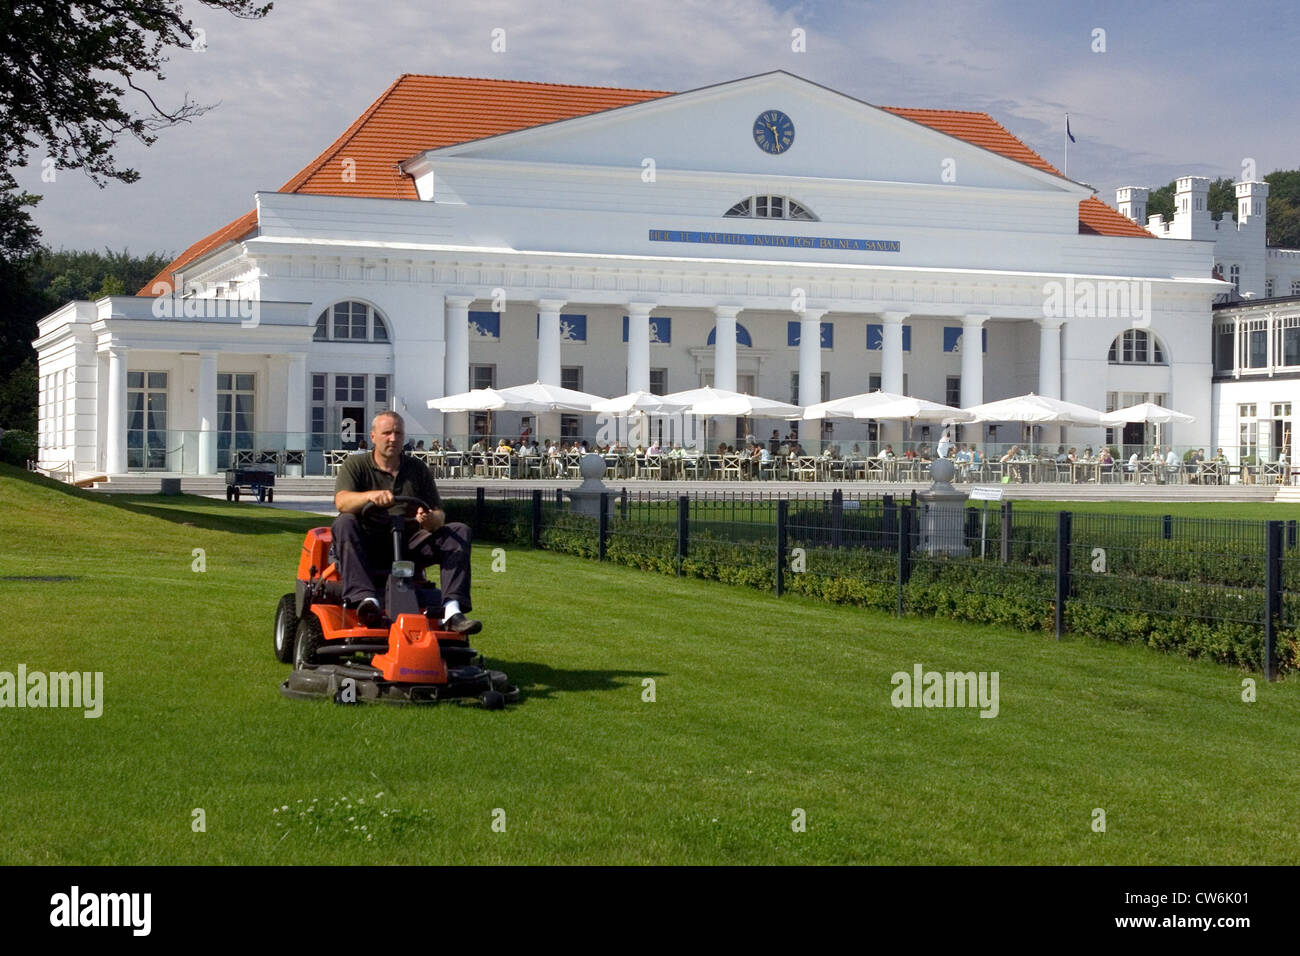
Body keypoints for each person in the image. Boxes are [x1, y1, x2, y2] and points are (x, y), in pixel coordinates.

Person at [332, 411, 479, 634]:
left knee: (459, 531)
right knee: (345, 522)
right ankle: (366, 600)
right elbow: (342, 501)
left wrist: (431, 519)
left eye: (398, 433)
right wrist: (370, 497)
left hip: (409, 543)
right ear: (373, 436)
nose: (393, 438)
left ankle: (451, 610)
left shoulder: (417, 469)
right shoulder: (356, 465)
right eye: (387, 433)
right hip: (369, 543)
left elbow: (439, 513)